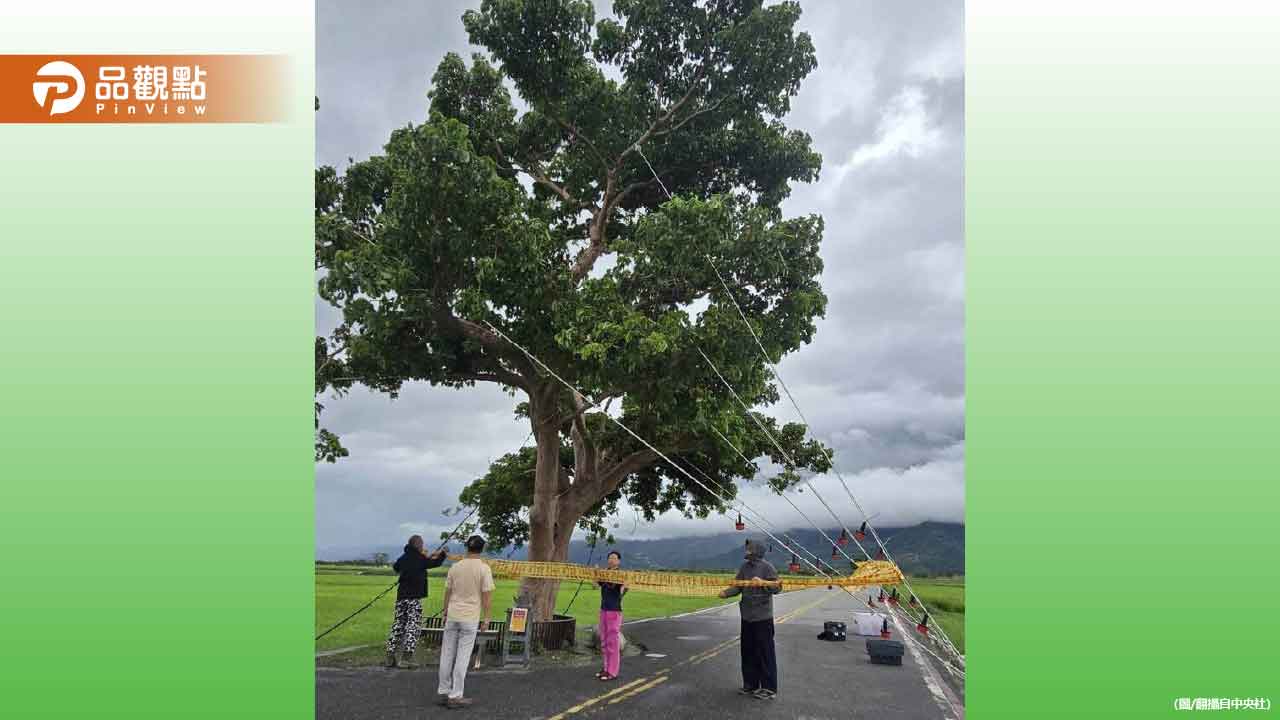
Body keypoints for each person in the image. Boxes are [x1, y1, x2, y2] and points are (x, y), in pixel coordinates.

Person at [436, 535, 495, 710]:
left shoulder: (455, 567)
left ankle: (443, 691)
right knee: (462, 657)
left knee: (446, 654)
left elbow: (447, 592)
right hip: (470, 617)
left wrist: (445, 612)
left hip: (453, 615)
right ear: (482, 549)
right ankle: (456, 695)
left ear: (466, 548)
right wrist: (487, 618)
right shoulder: (484, 569)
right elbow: (487, 597)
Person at [719, 539, 782, 700]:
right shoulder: (744, 567)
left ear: (757, 550)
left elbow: (778, 587)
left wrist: (763, 583)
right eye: (746, 548)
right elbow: (738, 586)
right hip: (747, 617)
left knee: (765, 653)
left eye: (749, 548)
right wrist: (726, 593)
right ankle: (750, 684)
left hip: (762, 618)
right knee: (747, 651)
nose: (746, 550)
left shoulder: (767, 567)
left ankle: (769, 688)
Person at [385, 534, 446, 668]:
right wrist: (442, 554)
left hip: (401, 598)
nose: (423, 546)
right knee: (413, 626)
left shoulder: (404, 557)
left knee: (398, 625)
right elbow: (434, 563)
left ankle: (390, 656)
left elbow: (396, 567)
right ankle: (406, 658)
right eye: (421, 544)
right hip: (414, 599)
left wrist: (423, 559)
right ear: (417, 544)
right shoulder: (420, 558)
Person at [595, 550, 628, 681]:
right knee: (603, 641)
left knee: (612, 642)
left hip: (614, 611)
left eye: (614, 558)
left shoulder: (621, 575)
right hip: (603, 610)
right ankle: (606, 668)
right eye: (610, 558)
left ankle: (612, 671)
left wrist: (625, 586)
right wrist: (596, 573)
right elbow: (596, 583)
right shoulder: (605, 574)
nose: (611, 560)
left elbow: (623, 590)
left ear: (619, 561)